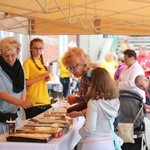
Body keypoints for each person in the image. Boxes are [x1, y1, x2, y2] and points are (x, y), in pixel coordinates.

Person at [79, 67, 120, 150]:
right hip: (109, 142)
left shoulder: (94, 102)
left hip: (93, 143)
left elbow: (89, 128)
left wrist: (80, 131)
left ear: (93, 84)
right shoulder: (115, 100)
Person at [0, 37, 32, 134]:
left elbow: (23, 89)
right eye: (6, 56)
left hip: (14, 117)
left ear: (17, 53)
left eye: (13, 55)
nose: (10, 59)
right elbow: (2, 94)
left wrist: (22, 102)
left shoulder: (20, 68)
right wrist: (20, 103)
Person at [62, 47, 98, 118]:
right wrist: (76, 99)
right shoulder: (84, 76)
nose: (72, 71)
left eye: (74, 67)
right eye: (69, 68)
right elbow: (86, 101)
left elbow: (98, 106)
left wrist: (80, 113)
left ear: (83, 62)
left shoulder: (94, 75)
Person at [23, 38, 51, 119]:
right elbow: (25, 83)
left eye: (40, 48)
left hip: (45, 100)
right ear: (31, 48)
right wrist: (41, 77)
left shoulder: (42, 61)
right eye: (35, 48)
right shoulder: (27, 63)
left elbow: (44, 77)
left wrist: (47, 78)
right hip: (33, 102)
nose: (38, 51)